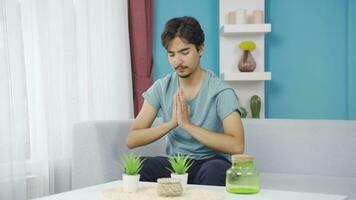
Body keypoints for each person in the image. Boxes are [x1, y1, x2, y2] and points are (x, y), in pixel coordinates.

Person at [126, 16, 244, 186]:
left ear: (200, 49)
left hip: (210, 163)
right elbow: (132, 139)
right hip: (177, 165)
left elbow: (236, 145)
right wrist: (172, 124)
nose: (178, 61)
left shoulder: (221, 92)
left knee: (215, 170)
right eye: (171, 54)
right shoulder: (162, 87)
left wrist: (187, 125)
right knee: (138, 167)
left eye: (184, 52)